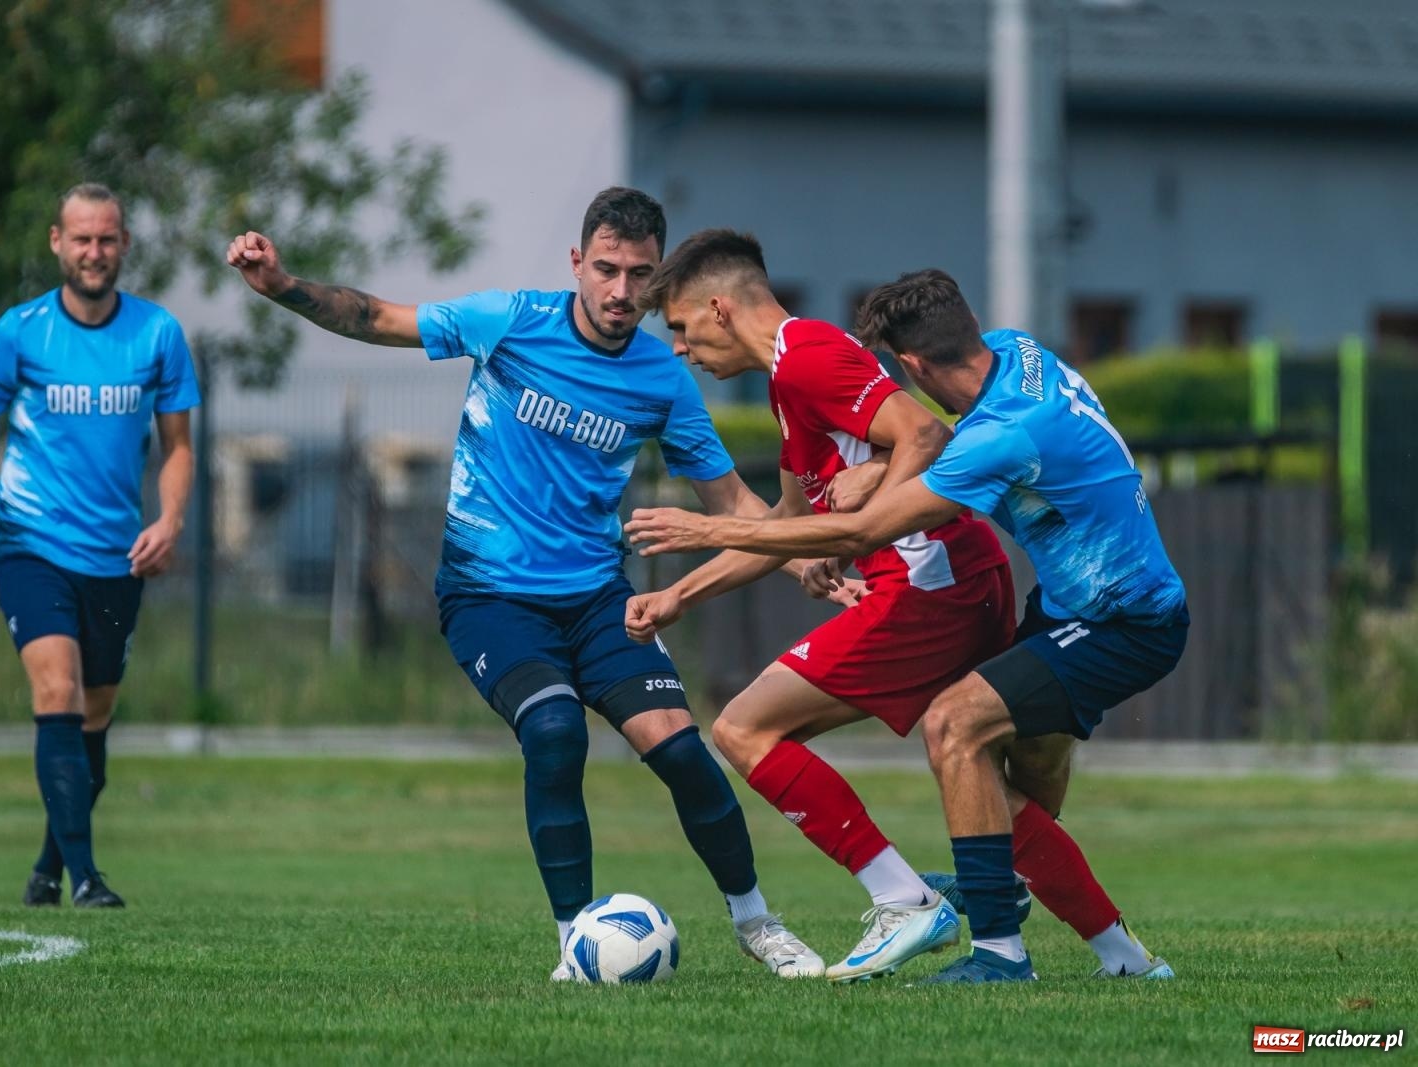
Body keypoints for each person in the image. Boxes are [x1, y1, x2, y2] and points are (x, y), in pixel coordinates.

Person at [227, 187, 825, 981]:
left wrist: (801, 553)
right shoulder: (509, 321)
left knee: (682, 751)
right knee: (553, 732)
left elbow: (731, 503)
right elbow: (377, 317)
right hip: (488, 595)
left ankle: (758, 922)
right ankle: (577, 940)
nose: (621, 292)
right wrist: (283, 286)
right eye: (606, 269)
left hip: (598, 597)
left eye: (640, 276)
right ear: (577, 264)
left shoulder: (662, 376)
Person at [626, 268, 1186, 984]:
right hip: (1066, 605)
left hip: (1124, 617)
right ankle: (1119, 954)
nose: (677, 346)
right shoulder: (1019, 353)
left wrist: (707, 527)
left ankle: (993, 949)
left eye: (678, 326)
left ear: (912, 365)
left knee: (954, 727)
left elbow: (874, 518)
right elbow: (939, 441)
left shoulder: (993, 435)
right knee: (1012, 771)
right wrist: (890, 463)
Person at [0, 182, 200, 910]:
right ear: (56, 243)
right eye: (82, 238)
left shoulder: (157, 334)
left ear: (124, 244)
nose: (94, 252)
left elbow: (179, 446)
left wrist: (169, 521)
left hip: (114, 555)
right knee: (57, 691)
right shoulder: (20, 332)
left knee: (91, 720)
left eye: (107, 238)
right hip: (31, 543)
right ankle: (88, 878)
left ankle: (46, 866)